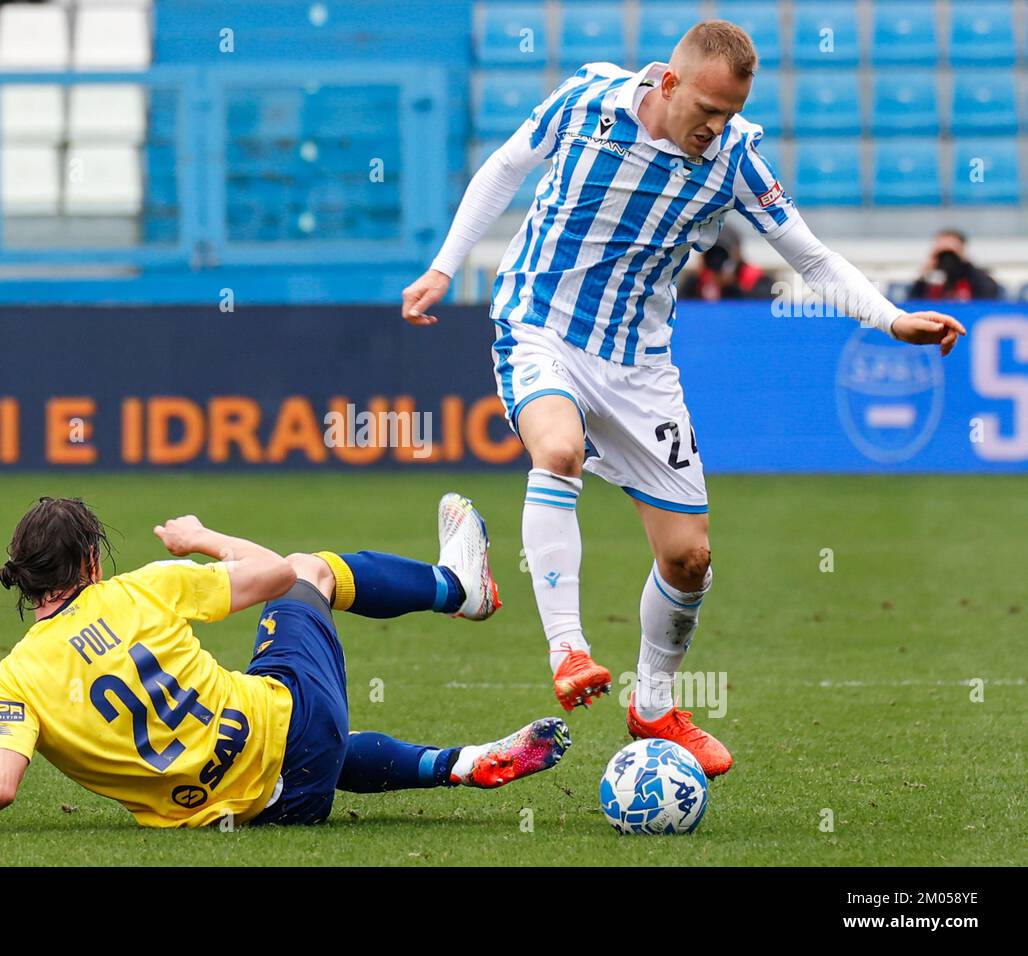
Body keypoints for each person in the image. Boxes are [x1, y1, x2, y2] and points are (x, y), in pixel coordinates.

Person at [400, 19, 966, 777]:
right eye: (707, 108)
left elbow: (811, 255)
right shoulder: (585, 103)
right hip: (541, 323)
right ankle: (568, 649)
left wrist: (891, 318)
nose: (715, 126)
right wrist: (445, 266)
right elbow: (504, 168)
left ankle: (655, 706)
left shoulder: (734, 157)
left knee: (690, 557)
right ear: (668, 83)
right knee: (558, 449)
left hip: (639, 364)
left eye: (729, 114)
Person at [0, 494, 568, 835]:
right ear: (93, 560)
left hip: (254, 812)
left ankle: (462, 763)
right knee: (312, 570)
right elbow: (274, 571)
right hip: (294, 725)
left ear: (23, 578)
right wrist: (202, 537)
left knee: (304, 753)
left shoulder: (8, 679)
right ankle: (457, 589)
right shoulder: (143, 589)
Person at [679, 225, 773, 300]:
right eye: (711, 252)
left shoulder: (758, 281)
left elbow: (758, 313)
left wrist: (730, 287)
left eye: (723, 252)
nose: (717, 259)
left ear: (737, 253)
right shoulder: (695, 284)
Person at [908, 229, 1002, 302]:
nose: (947, 259)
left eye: (951, 253)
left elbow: (988, 299)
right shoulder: (930, 280)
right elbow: (912, 303)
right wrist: (925, 275)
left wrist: (965, 265)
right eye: (942, 253)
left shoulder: (975, 278)